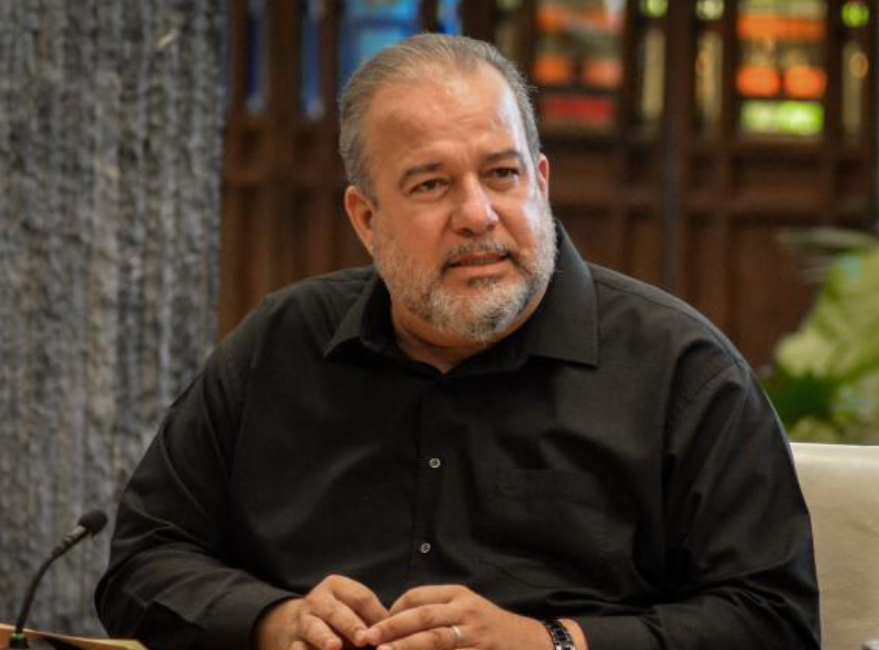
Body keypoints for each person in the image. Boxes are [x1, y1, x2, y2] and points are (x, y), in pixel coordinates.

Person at [95, 34, 820, 650]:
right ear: (366, 219)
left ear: (540, 183)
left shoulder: (682, 373)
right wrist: (273, 622)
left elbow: (775, 620)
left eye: (501, 174)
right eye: (431, 185)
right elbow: (142, 560)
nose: (477, 214)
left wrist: (552, 642)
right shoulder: (281, 346)